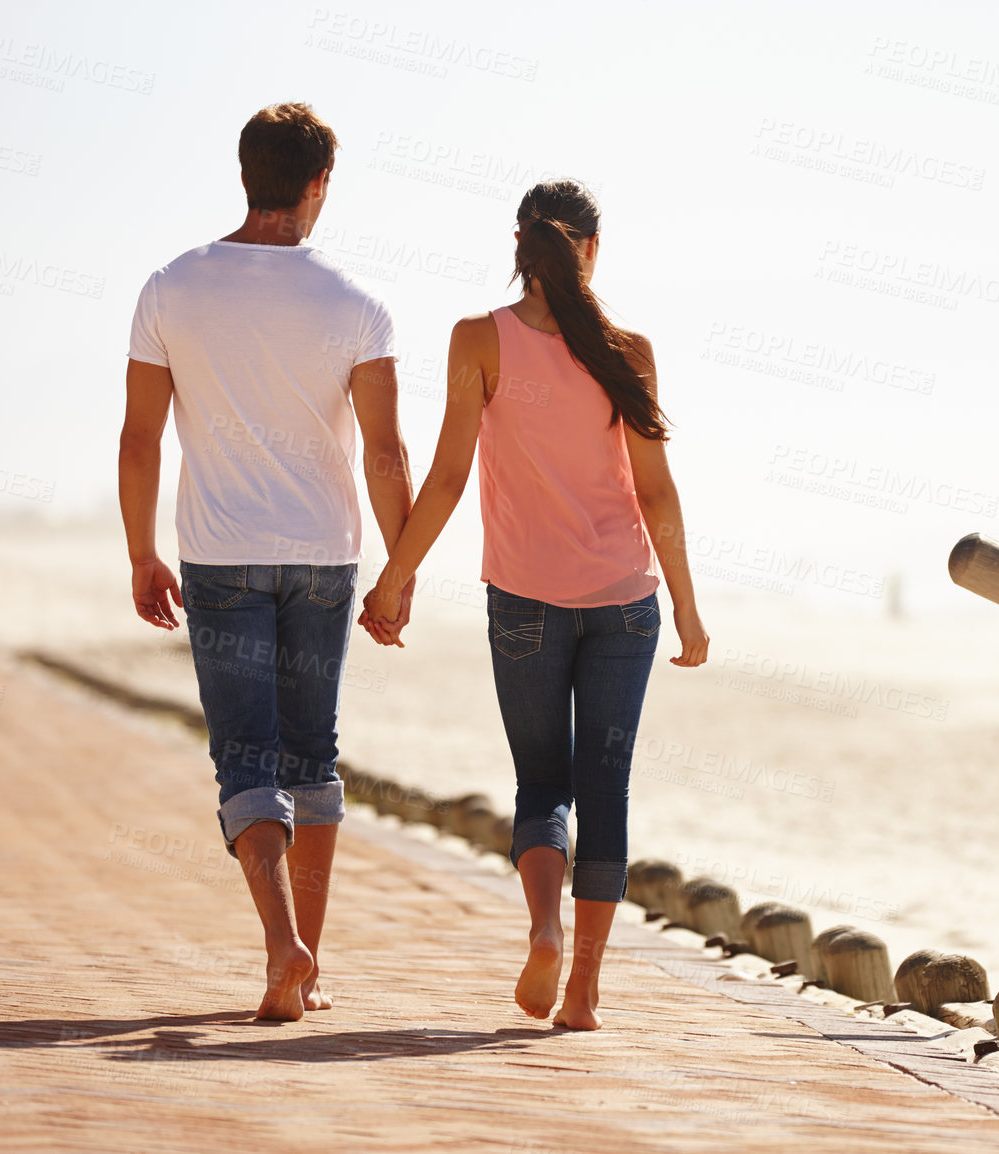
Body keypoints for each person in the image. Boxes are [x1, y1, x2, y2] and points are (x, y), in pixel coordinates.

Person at [358, 178, 708, 1030]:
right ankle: (583, 991)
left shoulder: (479, 339)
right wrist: (691, 614)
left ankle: (544, 926)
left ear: (521, 247)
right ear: (592, 248)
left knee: (542, 783)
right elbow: (656, 495)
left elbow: (445, 478)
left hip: (524, 602)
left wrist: (393, 579)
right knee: (607, 789)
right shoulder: (630, 349)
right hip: (626, 603)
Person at [117, 102, 414, 1021]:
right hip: (325, 558)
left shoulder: (173, 286)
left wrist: (140, 555)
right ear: (318, 183)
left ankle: (283, 951)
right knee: (311, 755)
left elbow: (139, 441)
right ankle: (307, 966)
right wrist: (397, 575)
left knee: (245, 755)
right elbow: (386, 454)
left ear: (246, 174)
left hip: (219, 556)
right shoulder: (358, 303)